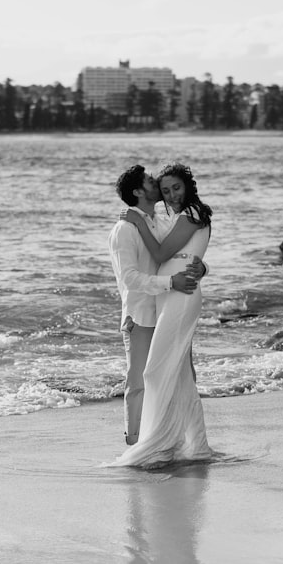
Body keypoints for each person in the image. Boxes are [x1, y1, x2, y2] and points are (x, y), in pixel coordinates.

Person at [111, 163, 215, 468]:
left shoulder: (159, 221)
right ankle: (140, 443)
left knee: (174, 372)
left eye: (173, 188)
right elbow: (130, 276)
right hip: (143, 311)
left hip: (172, 301)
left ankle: (177, 441)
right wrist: (177, 278)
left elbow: (175, 254)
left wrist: (202, 268)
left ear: (187, 186)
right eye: (157, 185)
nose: (164, 191)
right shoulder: (125, 229)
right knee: (144, 378)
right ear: (139, 191)